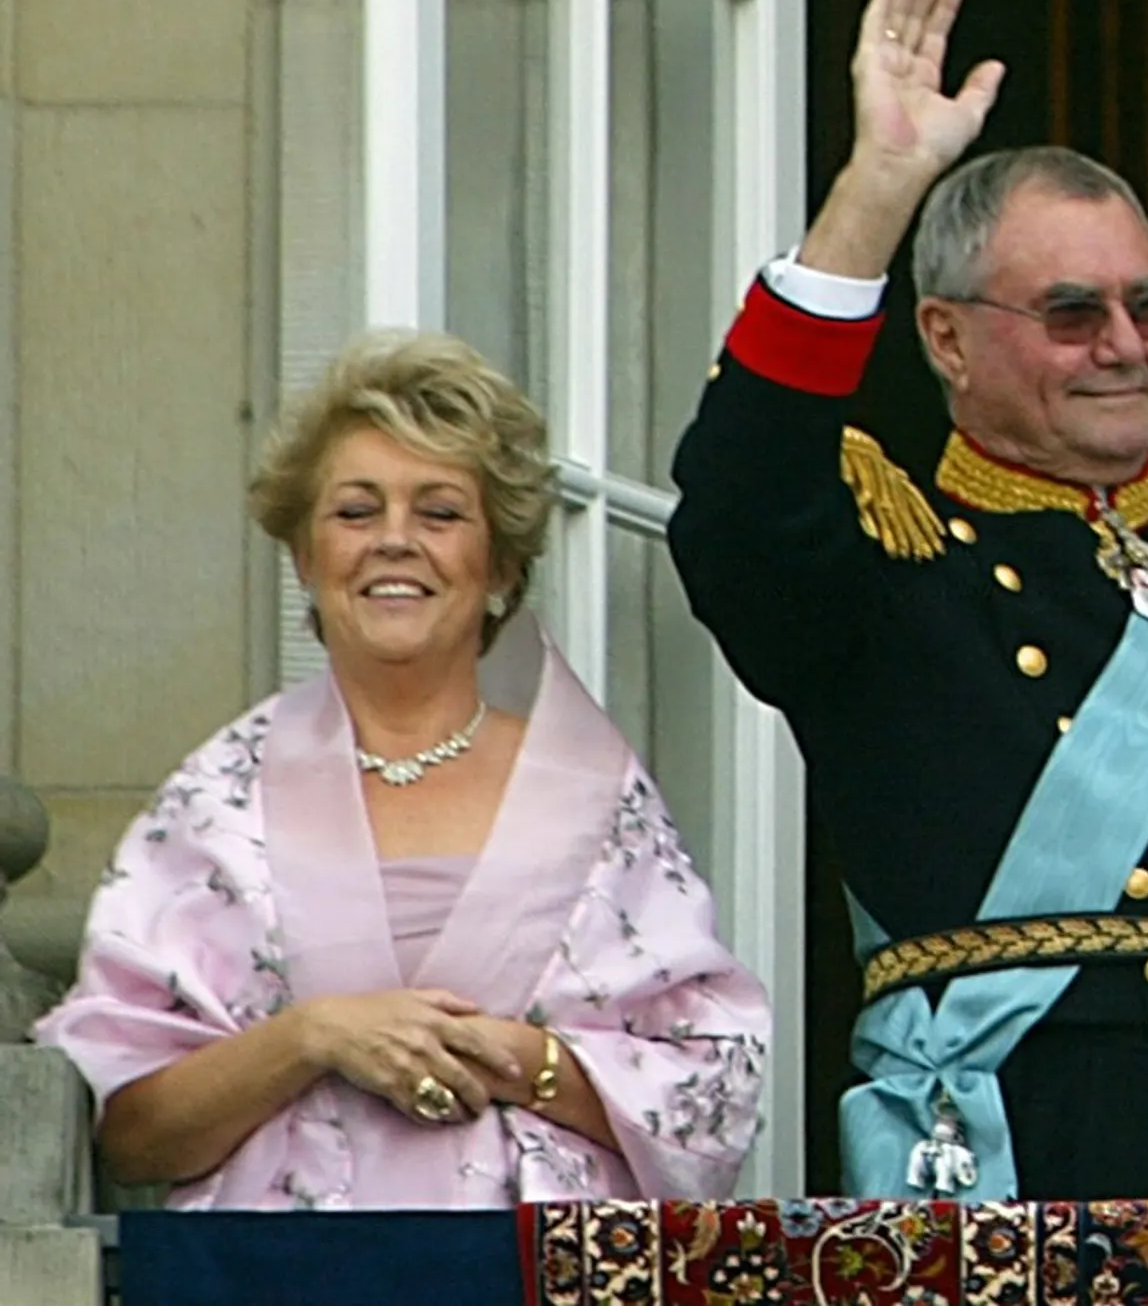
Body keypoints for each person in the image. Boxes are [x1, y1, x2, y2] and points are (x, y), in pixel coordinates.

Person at [664, 0, 1148, 1200]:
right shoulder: (889, 561)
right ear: (945, 335)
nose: (1123, 347)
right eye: (1070, 313)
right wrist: (876, 193)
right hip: (1027, 1128)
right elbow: (737, 494)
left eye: (1146, 308)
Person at [38, 333, 768, 1207]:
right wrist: (314, 1035)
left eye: (440, 512)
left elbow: (712, 1098)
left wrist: (510, 1057)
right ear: (305, 556)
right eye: (354, 511)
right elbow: (132, 1135)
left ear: (499, 563)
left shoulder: (595, 795)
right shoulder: (220, 796)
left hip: (530, 1274)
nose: (394, 540)